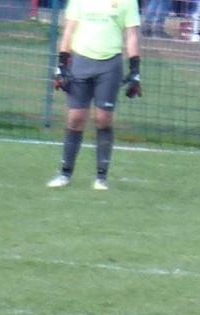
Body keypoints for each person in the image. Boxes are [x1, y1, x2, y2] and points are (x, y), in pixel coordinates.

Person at [47, 0, 142, 191]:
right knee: (75, 118)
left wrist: (135, 70)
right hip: (80, 61)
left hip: (110, 65)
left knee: (103, 119)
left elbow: (132, 35)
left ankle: (101, 176)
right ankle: (65, 172)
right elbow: (69, 31)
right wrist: (62, 65)